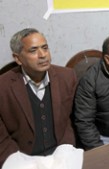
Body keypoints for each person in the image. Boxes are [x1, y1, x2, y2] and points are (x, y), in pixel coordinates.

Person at [0, 28, 76, 167]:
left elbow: (70, 121)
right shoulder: (3, 86)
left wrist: (65, 152)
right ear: (17, 58)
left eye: (45, 48)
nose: (42, 55)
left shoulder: (67, 77)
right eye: (33, 50)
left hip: (61, 156)